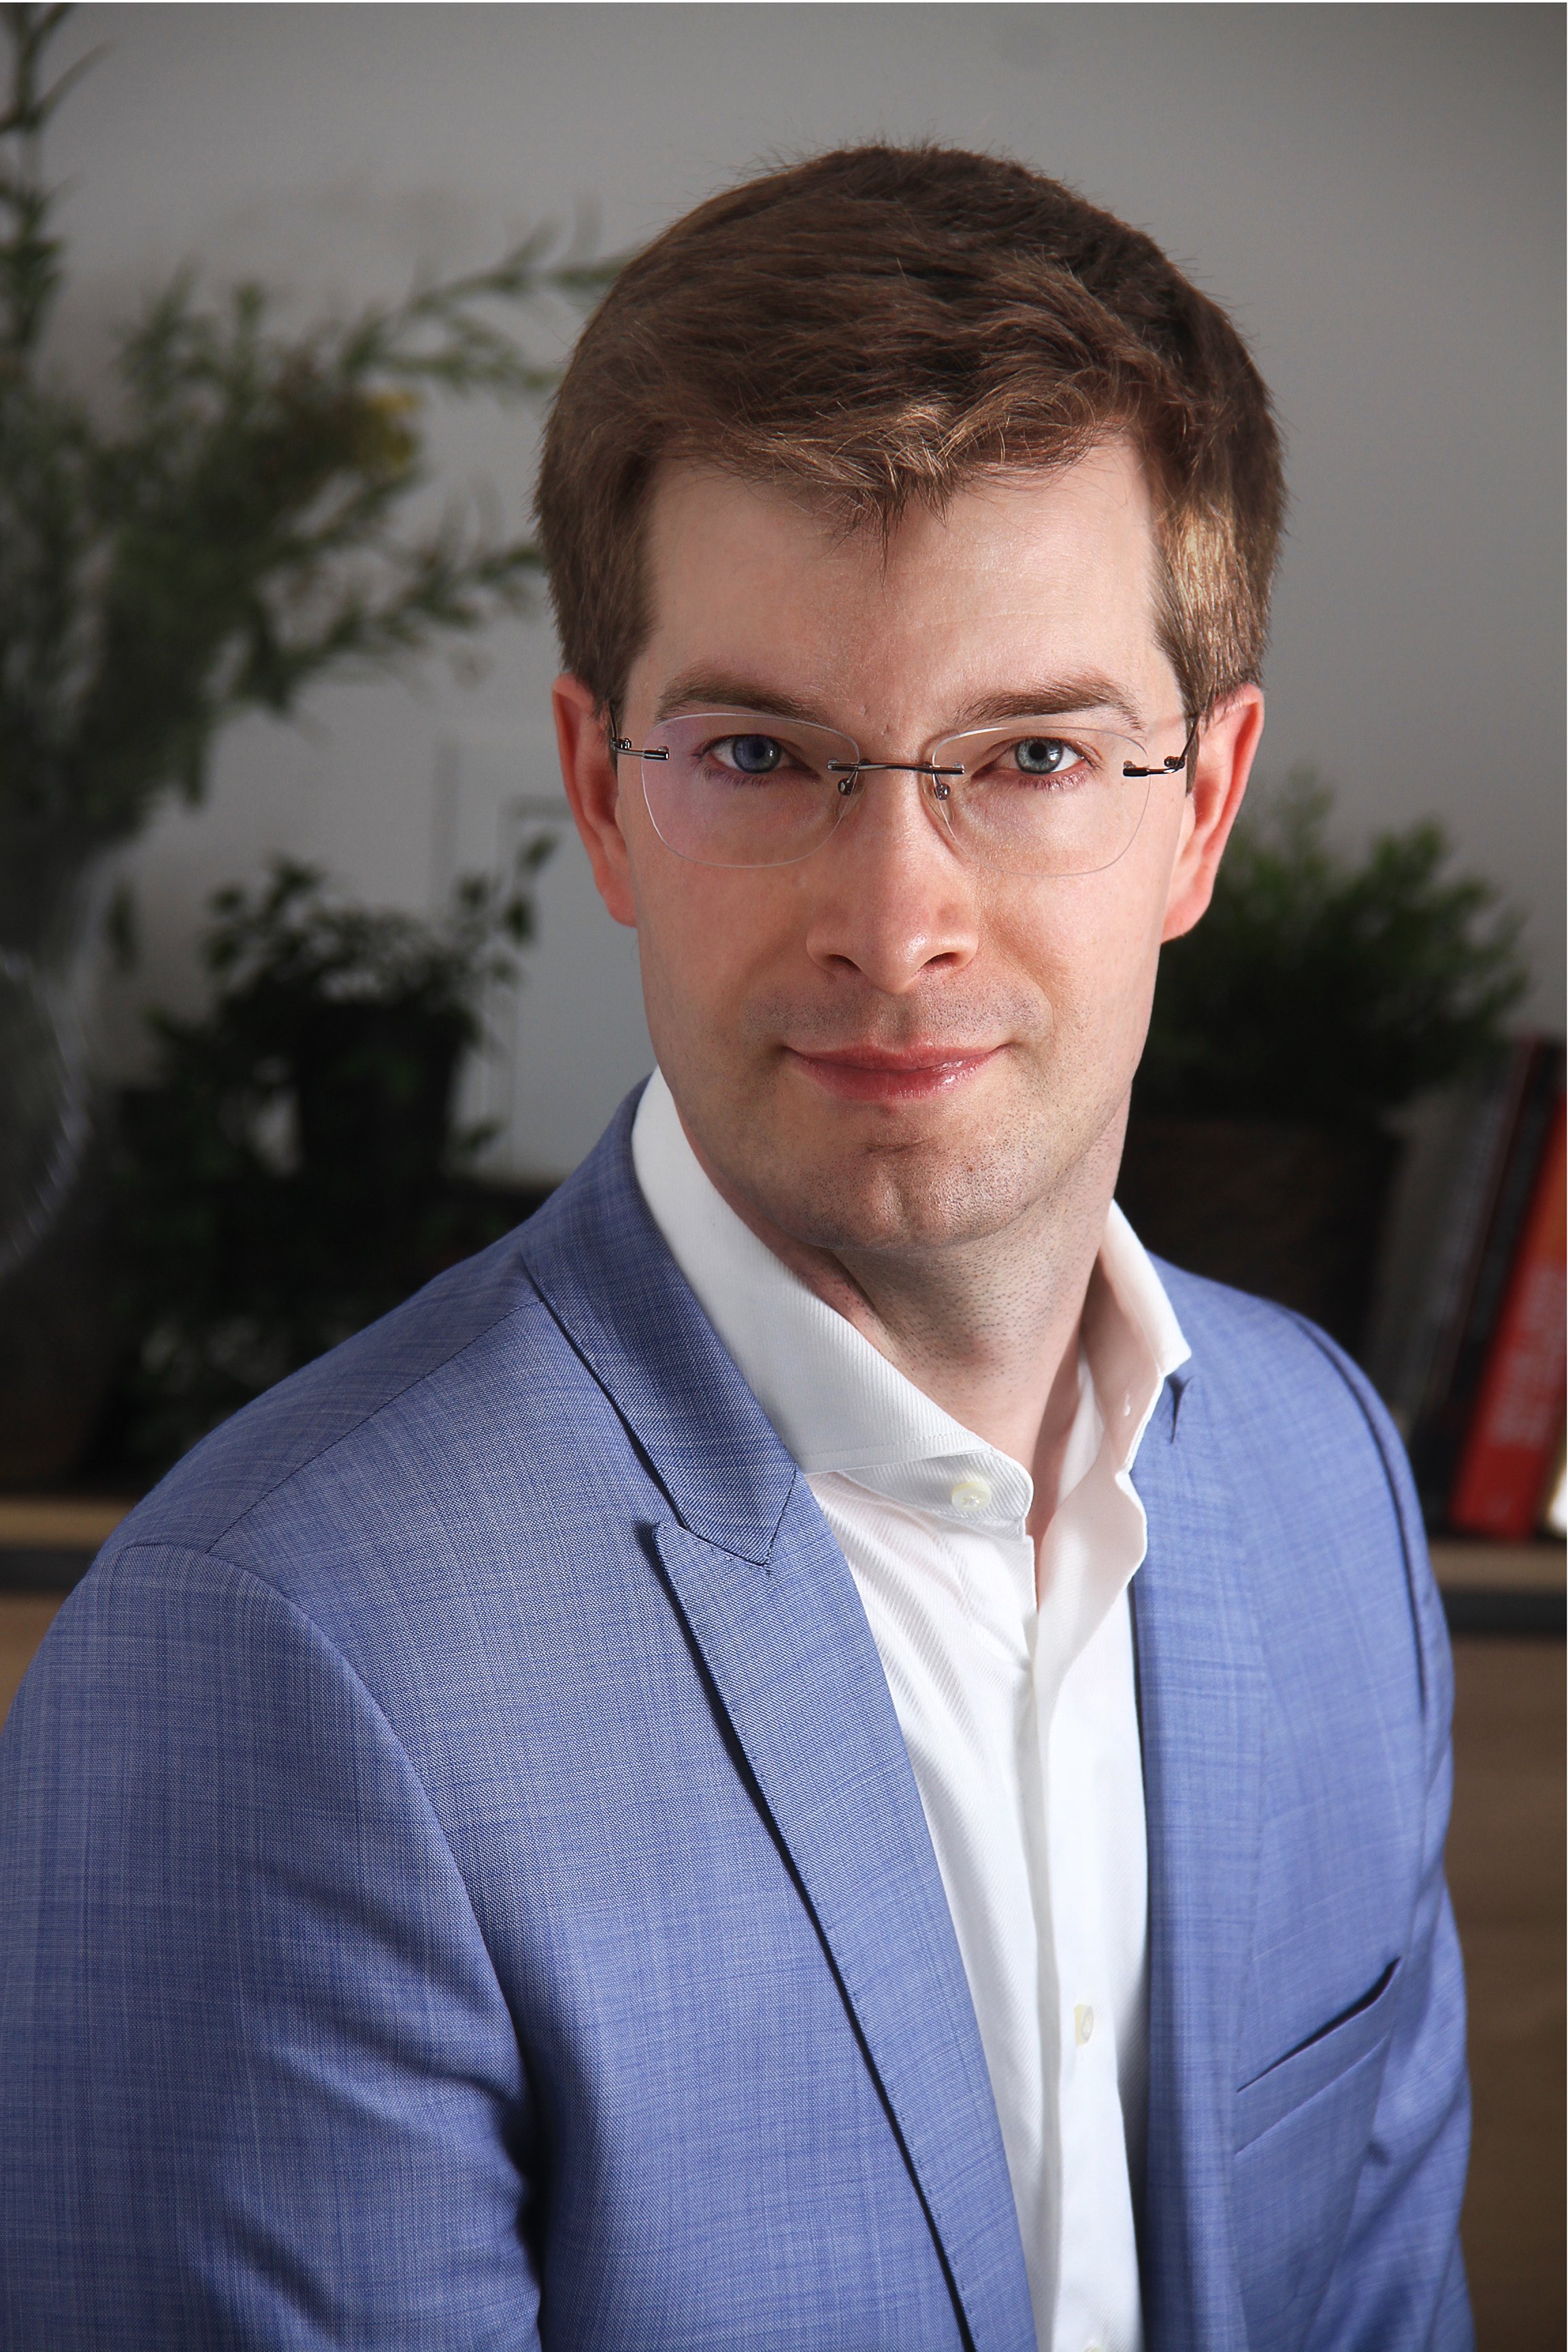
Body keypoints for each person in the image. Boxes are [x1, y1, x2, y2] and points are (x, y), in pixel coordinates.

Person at [0, 145, 1471, 2350]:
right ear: (601, 794)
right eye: (764, 751)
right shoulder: (271, 1661)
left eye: (1035, 753)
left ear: (1204, 804)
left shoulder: (1328, 1485)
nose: (895, 922)